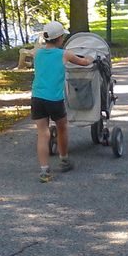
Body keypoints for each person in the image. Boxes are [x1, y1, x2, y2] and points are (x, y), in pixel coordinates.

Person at [31, 20, 94, 182]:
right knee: (62, 128)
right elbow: (84, 62)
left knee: (42, 134)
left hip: (37, 98)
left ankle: (44, 171)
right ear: (59, 38)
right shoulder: (64, 54)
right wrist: (90, 57)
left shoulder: (37, 52)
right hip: (54, 99)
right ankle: (64, 159)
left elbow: (36, 56)